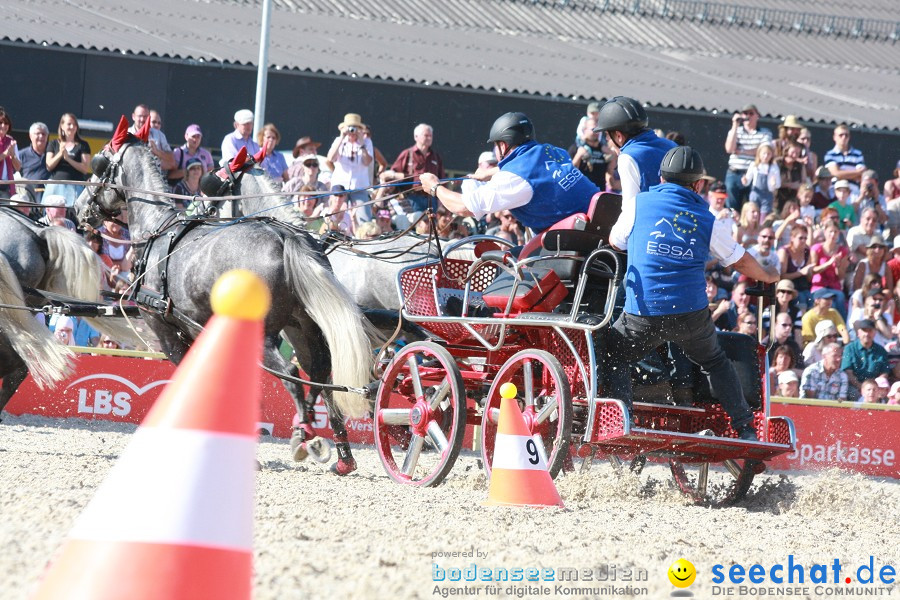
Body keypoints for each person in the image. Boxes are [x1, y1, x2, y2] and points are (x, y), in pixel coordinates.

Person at [603, 146, 779, 441]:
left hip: (643, 313)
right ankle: (745, 427)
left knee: (613, 353)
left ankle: (625, 421)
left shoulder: (638, 204)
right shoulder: (707, 218)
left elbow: (615, 241)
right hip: (691, 314)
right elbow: (741, 260)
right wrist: (770, 275)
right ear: (698, 185)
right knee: (714, 361)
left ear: (660, 178)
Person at [419, 112, 597, 234]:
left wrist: (435, 187)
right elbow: (539, 172)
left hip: (569, 247)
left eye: (495, 145)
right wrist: (493, 172)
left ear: (503, 145)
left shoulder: (513, 178)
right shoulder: (553, 151)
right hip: (595, 231)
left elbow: (464, 207)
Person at [592, 96, 676, 210]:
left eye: (607, 135)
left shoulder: (628, 157)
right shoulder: (672, 145)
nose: (606, 140)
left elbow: (630, 209)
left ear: (618, 136)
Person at [381, 123, 445, 213]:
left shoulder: (436, 157)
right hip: (412, 198)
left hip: (431, 199)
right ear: (416, 137)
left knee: (431, 226)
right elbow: (392, 174)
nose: (429, 138)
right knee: (414, 225)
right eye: (426, 135)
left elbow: (442, 180)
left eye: (431, 136)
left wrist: (440, 200)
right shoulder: (407, 153)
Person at [723, 103, 773, 210]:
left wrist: (741, 151)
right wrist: (735, 125)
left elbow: (763, 151)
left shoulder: (765, 133)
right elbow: (729, 149)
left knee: (753, 206)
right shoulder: (736, 131)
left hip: (753, 174)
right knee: (731, 205)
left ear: (757, 116)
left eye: (751, 113)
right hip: (734, 173)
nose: (748, 116)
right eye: (745, 113)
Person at [326, 113, 373, 221]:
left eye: (355, 128)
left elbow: (367, 162)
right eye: (350, 128)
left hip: (359, 186)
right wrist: (342, 137)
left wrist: (361, 144)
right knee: (335, 217)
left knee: (364, 219)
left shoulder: (366, 142)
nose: (352, 132)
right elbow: (330, 158)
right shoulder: (339, 140)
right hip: (340, 187)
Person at [44, 113, 91, 207]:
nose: (72, 127)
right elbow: (49, 166)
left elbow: (85, 168)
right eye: (69, 124)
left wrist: (68, 158)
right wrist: (60, 153)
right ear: (62, 126)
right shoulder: (53, 143)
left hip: (75, 187)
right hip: (55, 187)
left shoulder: (83, 145)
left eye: (74, 124)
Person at [841, 319, 892, 401]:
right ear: (858, 333)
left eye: (870, 331)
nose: (867, 334)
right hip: (854, 386)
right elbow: (848, 373)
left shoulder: (881, 350)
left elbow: (884, 373)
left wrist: (874, 389)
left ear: (874, 333)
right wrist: (862, 388)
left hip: (875, 388)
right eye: (864, 331)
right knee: (852, 394)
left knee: (887, 397)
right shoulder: (849, 348)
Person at [741, 143, 780, 223]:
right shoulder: (754, 165)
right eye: (764, 153)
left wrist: (774, 183)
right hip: (755, 194)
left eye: (768, 154)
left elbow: (778, 184)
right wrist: (745, 181)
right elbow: (747, 181)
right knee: (753, 214)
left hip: (767, 196)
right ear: (759, 154)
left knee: (763, 218)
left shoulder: (774, 167)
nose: (766, 156)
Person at [129, 105, 175, 171]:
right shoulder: (126, 133)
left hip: (153, 176)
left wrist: (157, 151)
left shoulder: (159, 135)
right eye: (139, 116)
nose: (142, 119)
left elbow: (171, 159)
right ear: (133, 116)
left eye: (145, 117)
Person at [569, 117, 612, 189]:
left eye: (598, 130)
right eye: (593, 129)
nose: (596, 132)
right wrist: (578, 156)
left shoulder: (604, 149)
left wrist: (612, 155)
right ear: (584, 130)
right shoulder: (576, 148)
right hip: (582, 192)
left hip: (599, 194)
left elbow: (610, 173)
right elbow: (568, 173)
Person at [823, 124, 866, 195]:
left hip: (854, 192)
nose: (844, 137)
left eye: (846, 135)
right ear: (834, 137)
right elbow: (835, 173)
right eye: (841, 135)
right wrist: (856, 172)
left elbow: (861, 175)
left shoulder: (858, 154)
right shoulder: (829, 154)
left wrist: (841, 173)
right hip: (835, 192)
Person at [15, 121, 49, 203]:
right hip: (28, 197)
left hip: (48, 197)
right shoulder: (21, 155)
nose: (41, 136)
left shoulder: (53, 155)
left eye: (44, 134)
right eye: (37, 134)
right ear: (30, 136)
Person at [0, 108, 20, 198]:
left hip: (6, 186)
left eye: (6, 123)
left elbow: (18, 167)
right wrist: (5, 154)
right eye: (0, 123)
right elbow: (4, 154)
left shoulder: (11, 141)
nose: (3, 126)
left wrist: (12, 155)